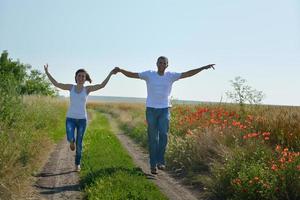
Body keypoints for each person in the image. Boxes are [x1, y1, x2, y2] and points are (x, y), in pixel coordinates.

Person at [115, 56, 215, 174]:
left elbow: (187, 74)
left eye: (164, 63)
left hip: (164, 110)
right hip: (151, 110)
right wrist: (121, 70)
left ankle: (160, 160)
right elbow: (133, 75)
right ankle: (153, 165)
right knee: (153, 138)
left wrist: (203, 68)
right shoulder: (149, 74)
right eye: (160, 62)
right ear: (156, 64)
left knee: (164, 134)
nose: (162, 64)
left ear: (167, 65)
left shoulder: (171, 76)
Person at [44, 64, 117, 171]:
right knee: (70, 138)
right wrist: (47, 73)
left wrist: (110, 73)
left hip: (82, 120)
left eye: (83, 76)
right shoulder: (71, 87)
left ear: (85, 78)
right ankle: (71, 142)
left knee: (79, 143)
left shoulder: (87, 89)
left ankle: (77, 164)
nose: (81, 78)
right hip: (70, 118)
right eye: (79, 76)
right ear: (76, 77)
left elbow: (102, 85)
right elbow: (57, 84)